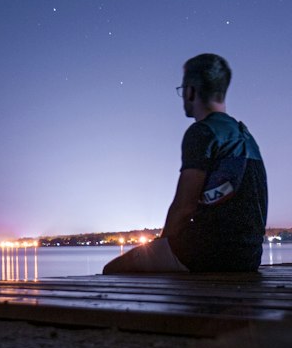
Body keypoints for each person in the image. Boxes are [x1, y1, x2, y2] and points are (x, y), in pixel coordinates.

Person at [103, 53, 267, 274]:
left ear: (190, 91)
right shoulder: (244, 135)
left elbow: (183, 206)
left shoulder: (202, 132)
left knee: (113, 270)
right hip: (248, 257)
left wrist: (161, 247)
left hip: (206, 253)